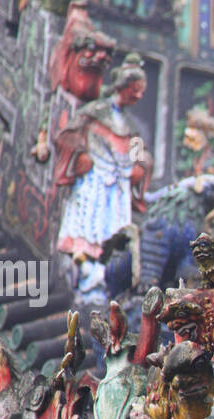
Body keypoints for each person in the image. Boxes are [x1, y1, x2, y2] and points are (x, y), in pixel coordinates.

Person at [55, 53, 154, 262]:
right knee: (88, 217)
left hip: (118, 182)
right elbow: (69, 135)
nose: (138, 96)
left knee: (114, 227)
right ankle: (82, 250)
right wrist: (80, 156)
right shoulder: (95, 111)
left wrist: (140, 165)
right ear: (123, 87)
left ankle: (108, 255)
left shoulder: (131, 126)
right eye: (135, 90)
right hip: (94, 176)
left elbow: (138, 153)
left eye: (142, 92)